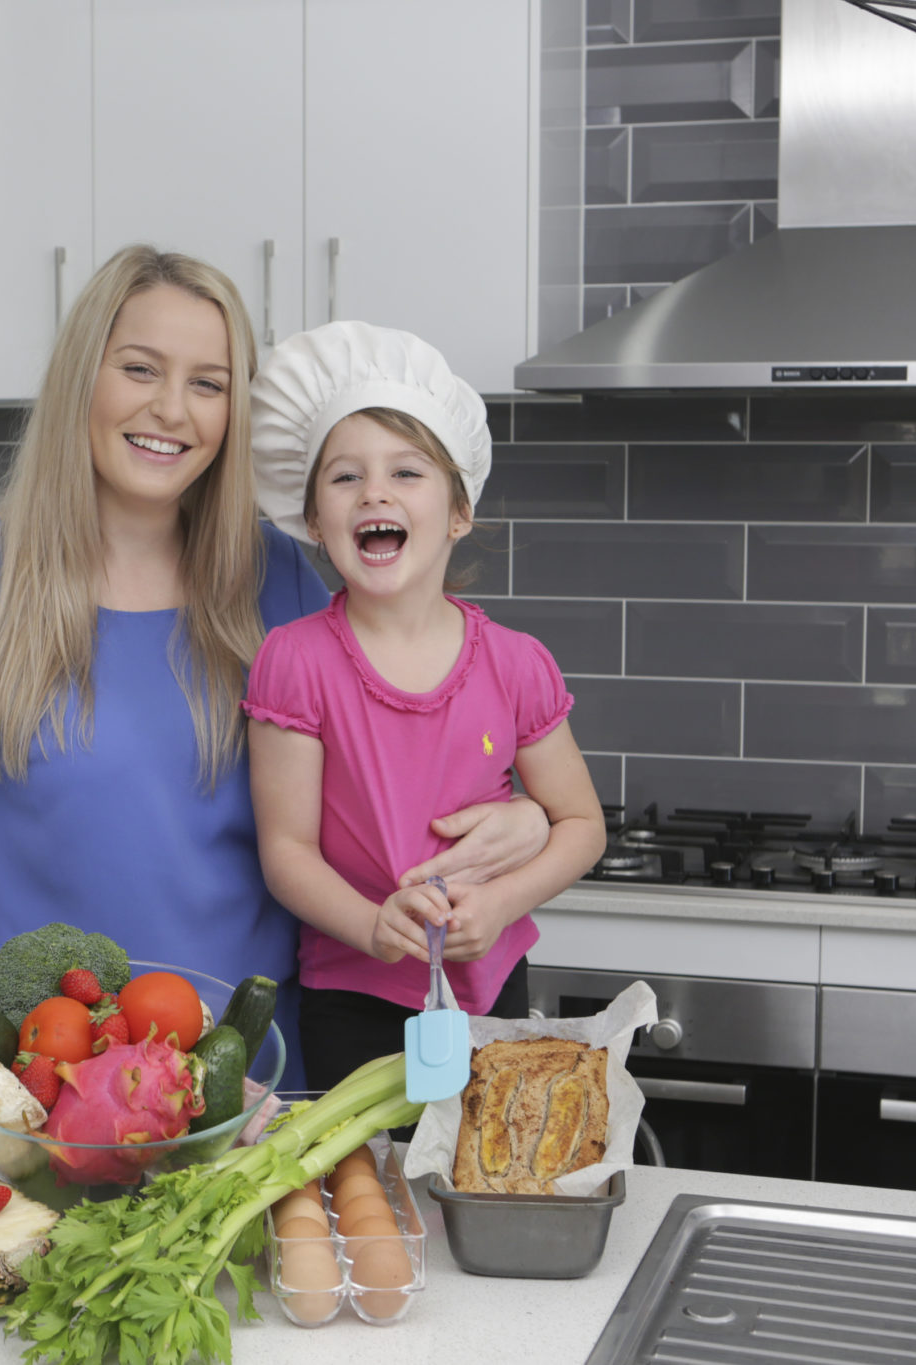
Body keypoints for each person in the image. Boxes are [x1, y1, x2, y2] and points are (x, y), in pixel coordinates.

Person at [0, 246, 553, 1089]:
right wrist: (26, 1061)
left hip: (270, 1088)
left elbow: (399, 767)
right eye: (140, 368)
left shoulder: (278, 577)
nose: (171, 410)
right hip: (57, 1093)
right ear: (80, 380)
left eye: (208, 384)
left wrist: (532, 820)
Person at [243, 321, 609, 1092]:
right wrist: (371, 926)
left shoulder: (517, 664)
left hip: (491, 991)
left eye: (406, 472)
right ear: (314, 521)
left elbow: (582, 827)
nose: (374, 491)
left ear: (458, 513)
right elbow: (286, 851)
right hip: (351, 996)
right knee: (370, 1197)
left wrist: (501, 904)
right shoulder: (295, 661)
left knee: (476, 1176)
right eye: (344, 478)